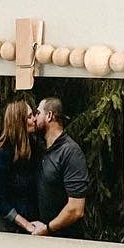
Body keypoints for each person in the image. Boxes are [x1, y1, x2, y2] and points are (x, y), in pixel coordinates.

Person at [29, 97, 89, 237]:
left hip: (66, 240)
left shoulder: (70, 152)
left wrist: (48, 229)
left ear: (49, 116)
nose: (34, 118)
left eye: (37, 113)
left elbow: (76, 209)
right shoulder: (43, 149)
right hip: (46, 237)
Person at [0, 100, 40, 233]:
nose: (34, 119)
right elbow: (0, 200)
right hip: (11, 226)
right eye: (29, 116)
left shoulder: (34, 147)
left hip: (33, 221)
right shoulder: (2, 156)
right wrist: (26, 224)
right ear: (19, 122)